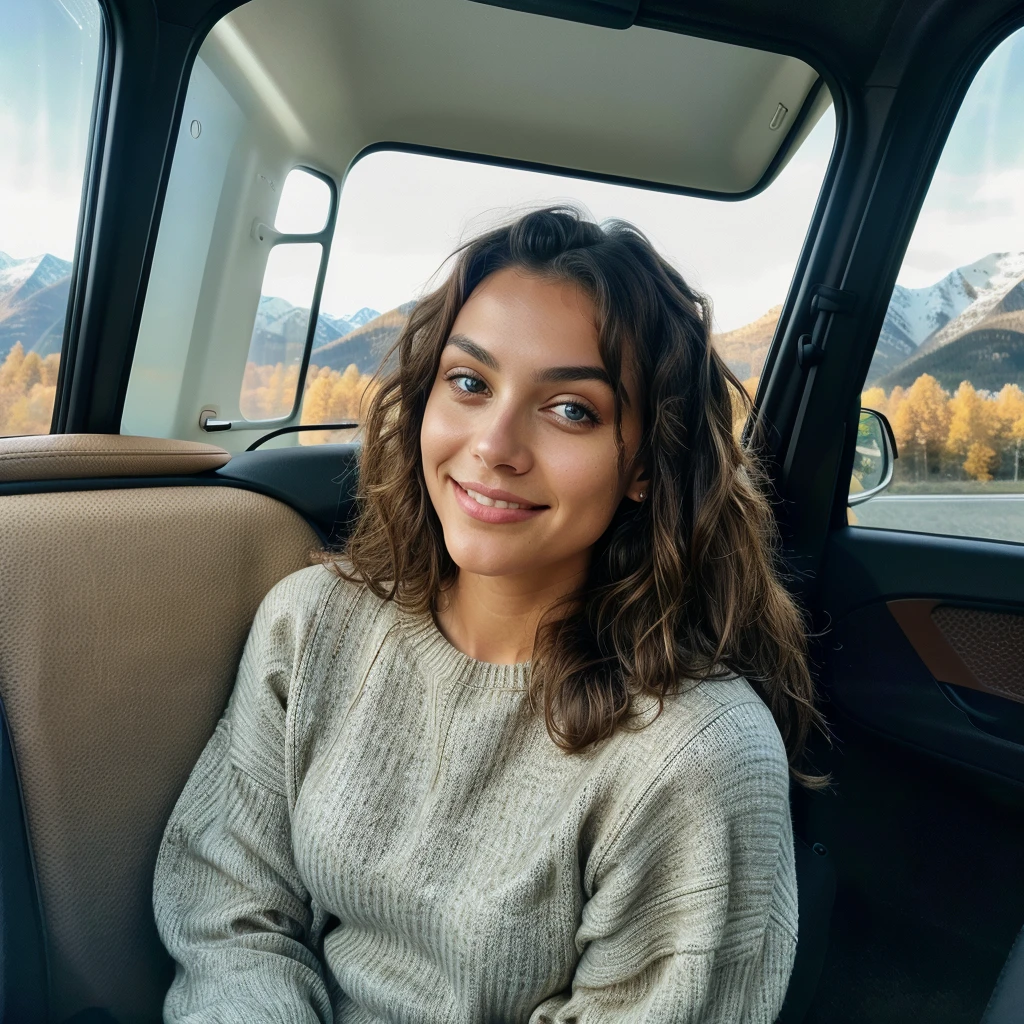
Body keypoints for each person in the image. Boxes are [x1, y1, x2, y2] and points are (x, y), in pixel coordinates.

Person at [153, 204, 824, 1023]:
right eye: (469, 383)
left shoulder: (697, 756)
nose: (495, 444)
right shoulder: (312, 623)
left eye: (572, 409)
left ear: (645, 465)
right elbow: (229, 910)